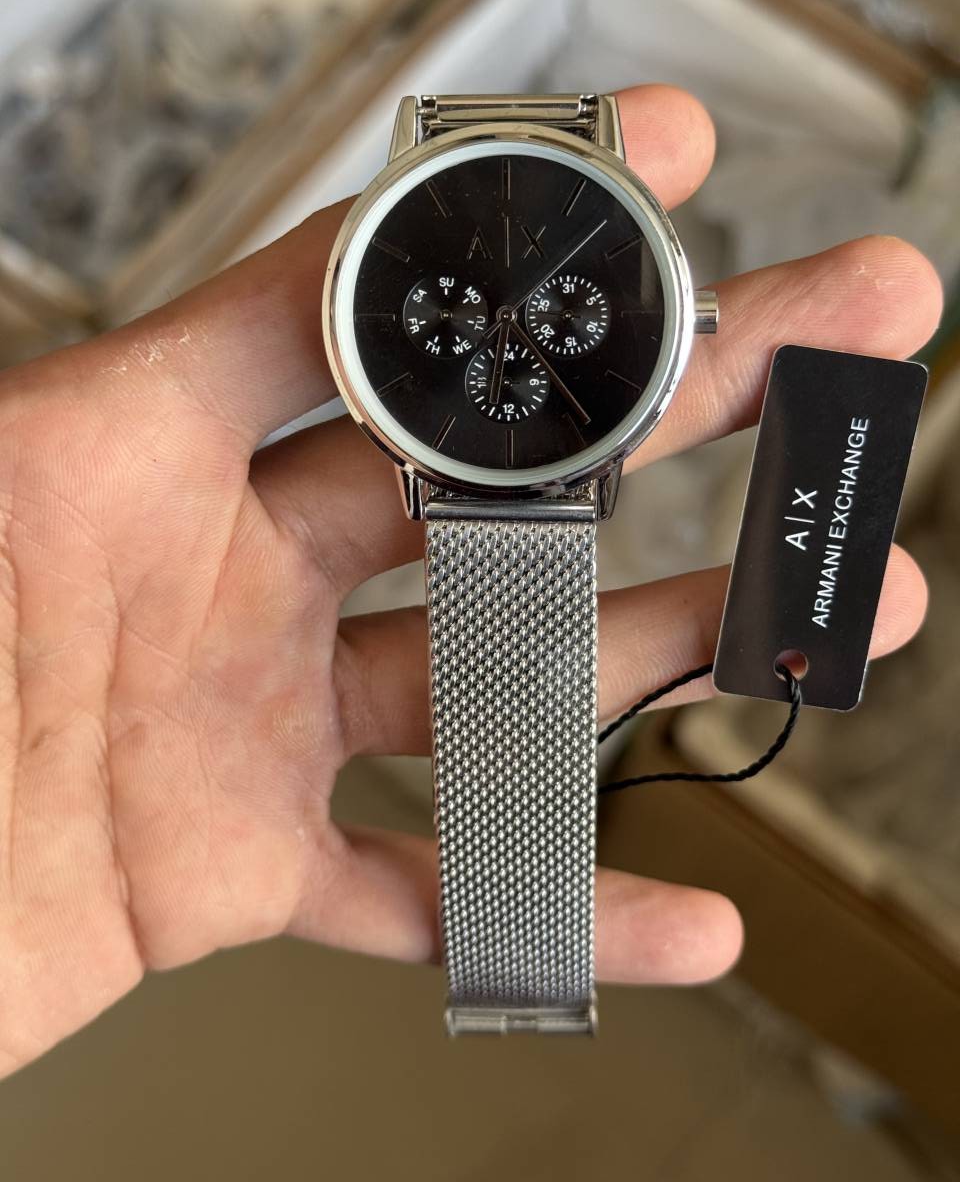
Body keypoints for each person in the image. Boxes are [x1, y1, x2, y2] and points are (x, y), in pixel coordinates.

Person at [0, 85, 937, 1077]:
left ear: (678, 320)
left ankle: (519, 970)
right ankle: (517, 972)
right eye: (466, 310)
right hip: (453, 458)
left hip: (538, 457)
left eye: (556, 308)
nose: (508, 319)